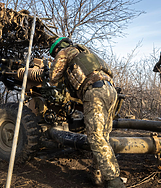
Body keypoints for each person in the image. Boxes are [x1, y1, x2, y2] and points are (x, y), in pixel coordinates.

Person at [48, 37, 125, 188]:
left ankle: (114, 182)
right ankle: (97, 174)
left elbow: (53, 77)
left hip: (94, 92)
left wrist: (52, 75)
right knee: (103, 136)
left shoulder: (64, 52)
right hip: (110, 91)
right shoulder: (86, 53)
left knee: (96, 137)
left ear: (56, 49)